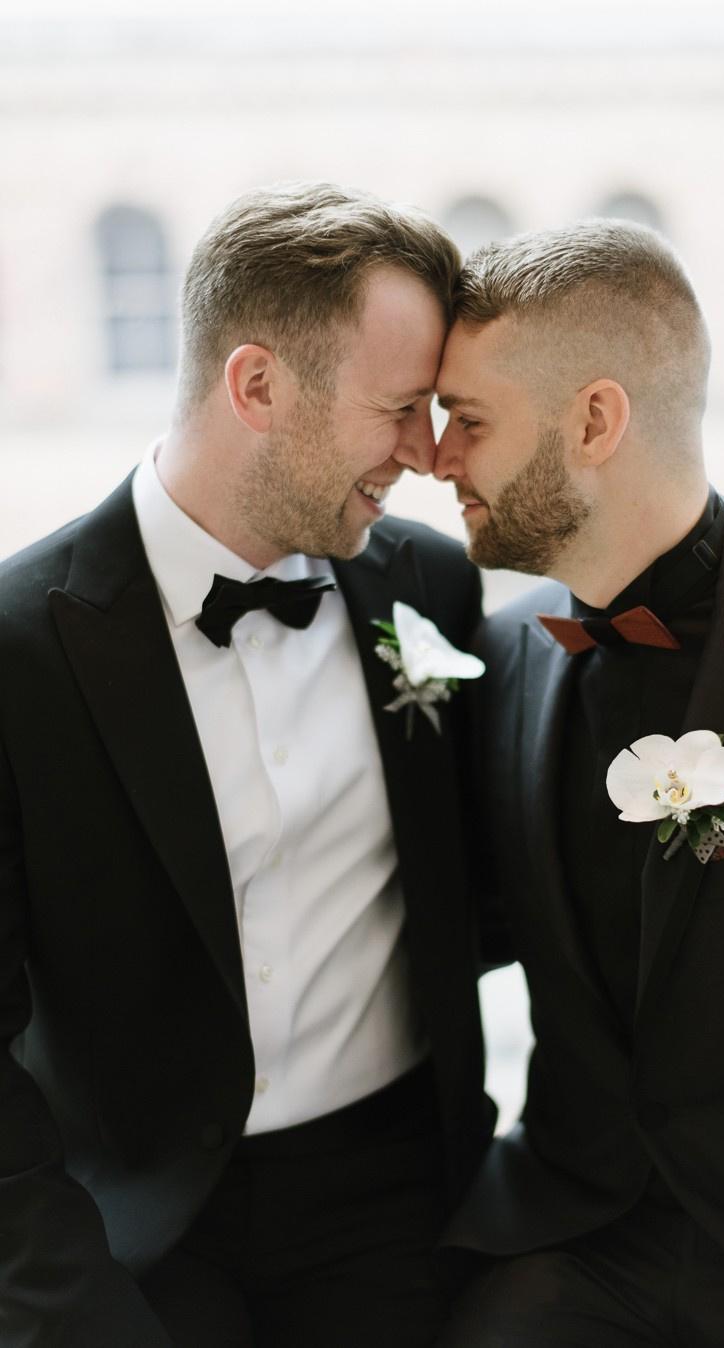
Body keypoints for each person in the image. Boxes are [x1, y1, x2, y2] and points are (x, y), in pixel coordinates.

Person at [0, 182, 496, 1348]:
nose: (425, 455)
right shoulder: (18, 648)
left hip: (398, 1196)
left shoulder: (429, 588)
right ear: (257, 385)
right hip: (131, 1222)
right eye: (400, 409)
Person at [431, 218, 724, 1348]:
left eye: (469, 420)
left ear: (595, 419)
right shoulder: (503, 656)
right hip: (566, 1255)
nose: (435, 456)